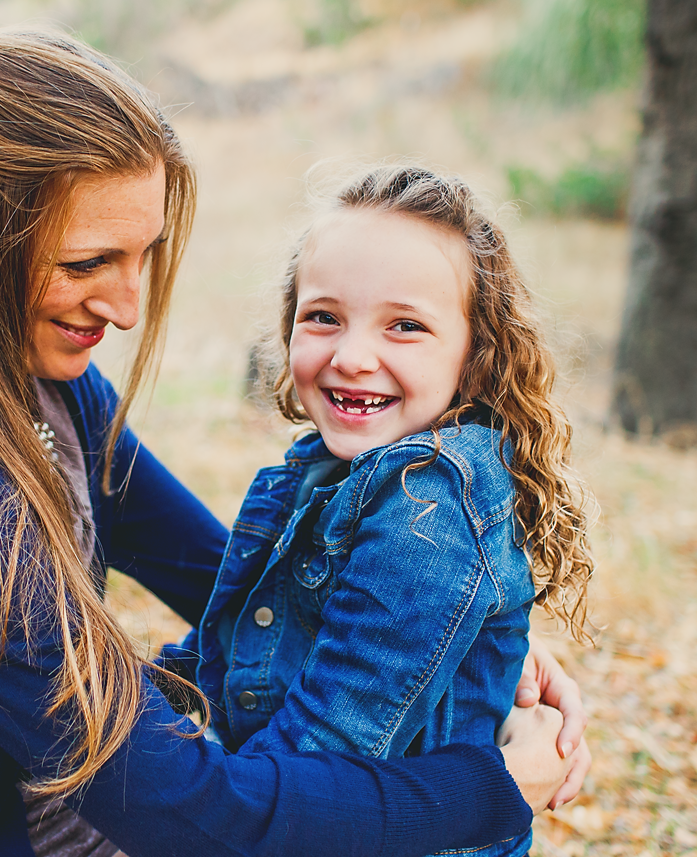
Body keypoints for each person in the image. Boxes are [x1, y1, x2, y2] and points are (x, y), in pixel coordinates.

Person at [0, 31, 587, 857]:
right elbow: (192, 815)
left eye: (143, 256)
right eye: (87, 263)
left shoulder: (45, 384)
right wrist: (492, 784)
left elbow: (234, 582)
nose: (127, 306)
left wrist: (466, 629)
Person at [193, 165, 595, 857]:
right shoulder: (318, 470)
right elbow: (224, 662)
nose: (352, 356)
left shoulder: (432, 496)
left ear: (476, 355)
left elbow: (331, 748)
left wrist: (193, 804)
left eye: (404, 326)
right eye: (324, 317)